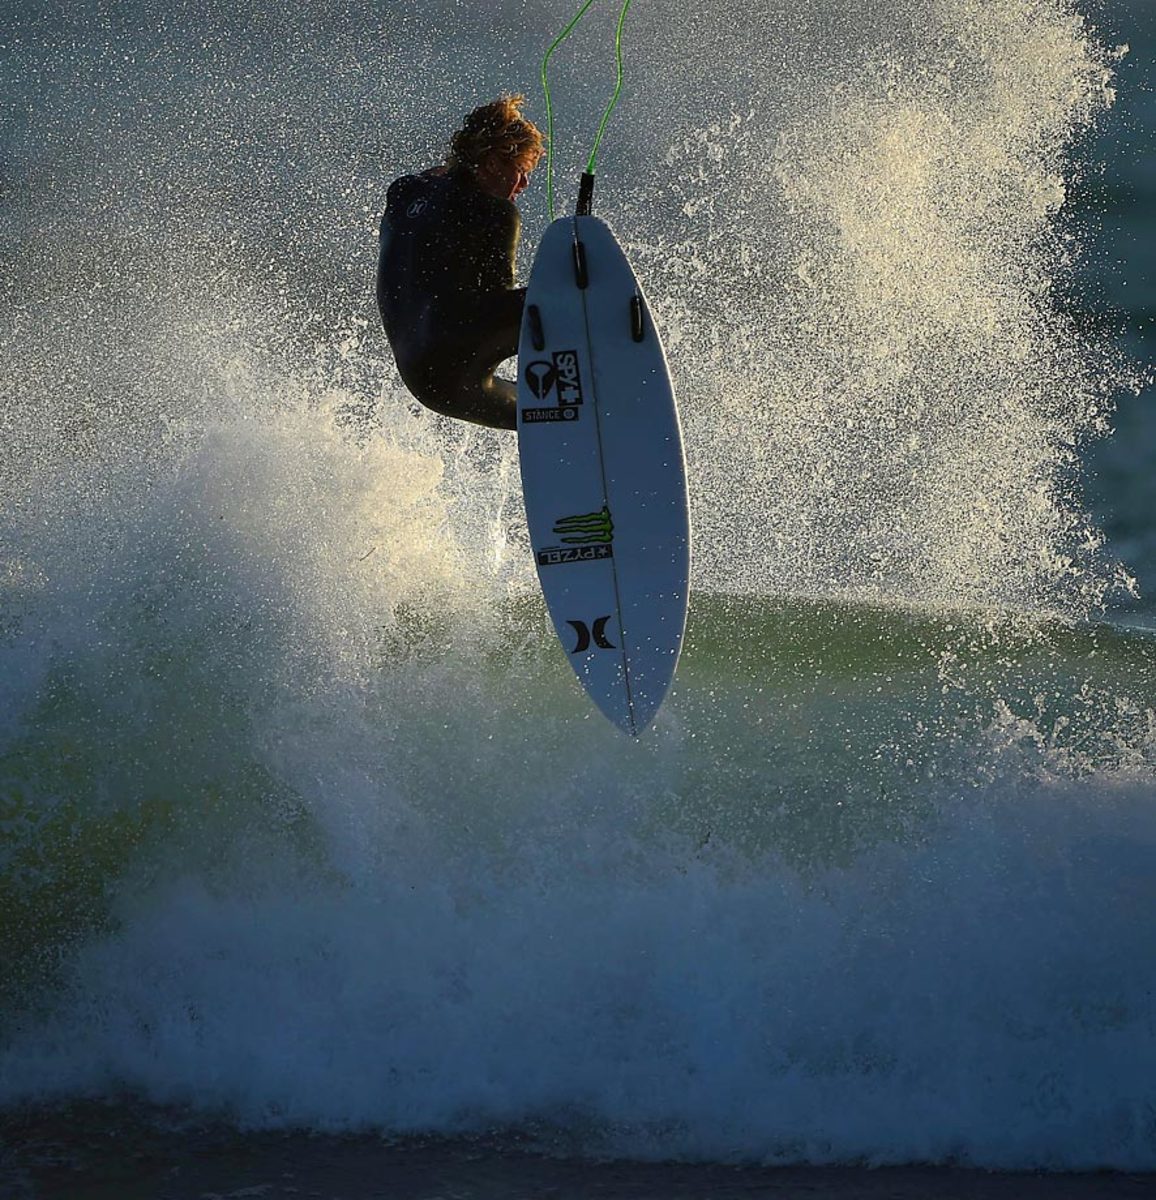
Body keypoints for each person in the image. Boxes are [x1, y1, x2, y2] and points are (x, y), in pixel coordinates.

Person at [376, 95, 544, 431]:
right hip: (456, 363)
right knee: (554, 302)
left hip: (421, 376)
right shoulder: (497, 213)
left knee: (534, 407)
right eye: (520, 171)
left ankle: (552, 414)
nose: (524, 185)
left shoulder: (405, 191)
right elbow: (501, 309)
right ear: (493, 162)